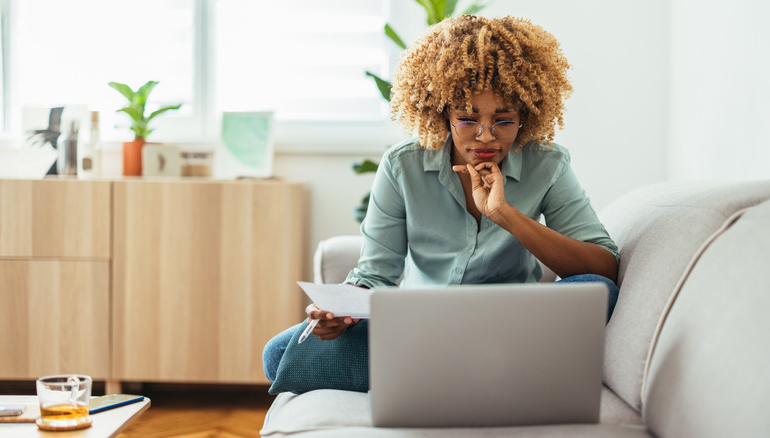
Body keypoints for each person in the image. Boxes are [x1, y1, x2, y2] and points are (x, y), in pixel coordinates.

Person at [263, 14, 619, 383]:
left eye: (504, 120)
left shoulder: (548, 164)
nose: (485, 137)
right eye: (467, 119)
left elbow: (602, 269)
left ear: (525, 116)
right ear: (442, 113)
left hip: (509, 325)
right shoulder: (403, 165)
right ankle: (482, 374)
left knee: (599, 291)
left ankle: (439, 375)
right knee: (278, 356)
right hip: (419, 327)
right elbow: (375, 274)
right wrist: (340, 312)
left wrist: (505, 214)